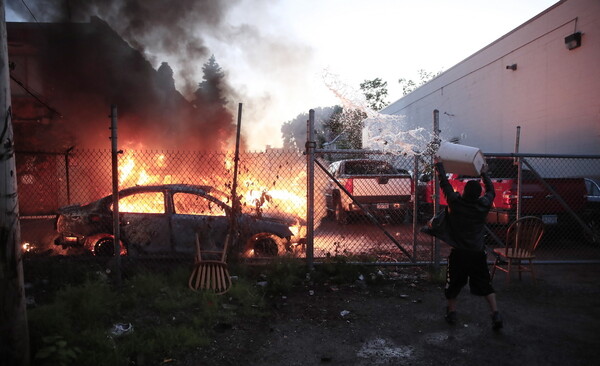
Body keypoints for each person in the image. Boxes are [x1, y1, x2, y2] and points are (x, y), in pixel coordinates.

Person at [434, 160, 503, 331]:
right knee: (484, 283)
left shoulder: (455, 203)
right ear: (478, 194)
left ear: (464, 192)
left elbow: (445, 184)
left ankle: (452, 312)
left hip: (459, 254)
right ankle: (495, 313)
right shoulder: (483, 205)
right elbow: (491, 191)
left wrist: (439, 166)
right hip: (477, 253)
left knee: (454, 284)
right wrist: (483, 173)